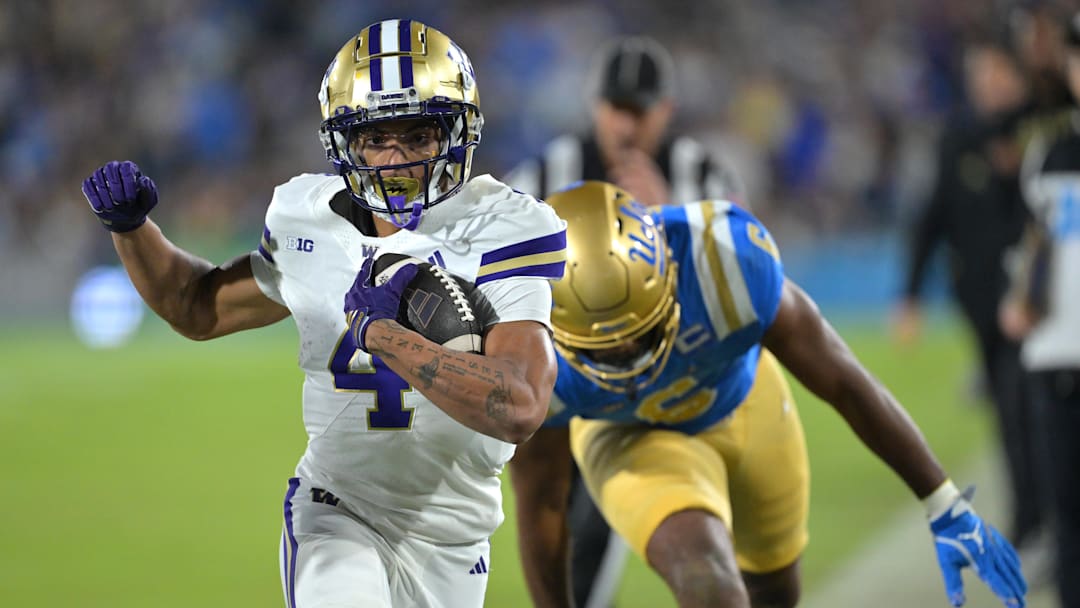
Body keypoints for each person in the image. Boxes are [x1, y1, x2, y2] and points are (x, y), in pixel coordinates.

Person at [80, 20, 567, 608]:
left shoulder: (504, 226)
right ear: (345, 143)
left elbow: (519, 406)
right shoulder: (305, 217)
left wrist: (386, 337)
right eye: (376, 138)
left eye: (417, 135)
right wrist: (132, 230)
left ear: (457, 133)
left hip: (455, 538)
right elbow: (197, 309)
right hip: (338, 511)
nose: (396, 159)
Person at [509, 180, 1028, 608]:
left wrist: (942, 501)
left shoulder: (722, 263)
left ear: (668, 276)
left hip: (745, 401)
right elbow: (544, 504)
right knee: (709, 584)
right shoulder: (528, 354)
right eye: (605, 351)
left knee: (777, 592)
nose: (630, 361)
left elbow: (843, 380)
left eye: (640, 335)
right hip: (627, 437)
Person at [504, 36, 743, 608]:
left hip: (663, 387)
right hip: (567, 380)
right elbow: (497, 264)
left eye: (639, 110)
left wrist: (673, 220)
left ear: (666, 111)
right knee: (563, 527)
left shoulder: (700, 175)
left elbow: (735, 279)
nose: (627, 125)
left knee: (677, 539)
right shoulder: (546, 172)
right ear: (595, 107)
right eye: (616, 108)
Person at [892, 37, 1044, 550]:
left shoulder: (1043, 130)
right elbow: (930, 220)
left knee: (1032, 408)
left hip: (1041, 303)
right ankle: (1033, 519)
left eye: (998, 70)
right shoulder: (957, 139)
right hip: (981, 303)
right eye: (980, 72)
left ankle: (1046, 517)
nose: (989, 82)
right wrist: (910, 295)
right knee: (1009, 411)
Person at [999, 12, 1080, 606]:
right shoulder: (1049, 154)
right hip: (1056, 356)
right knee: (1069, 521)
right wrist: (1022, 301)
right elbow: (1042, 241)